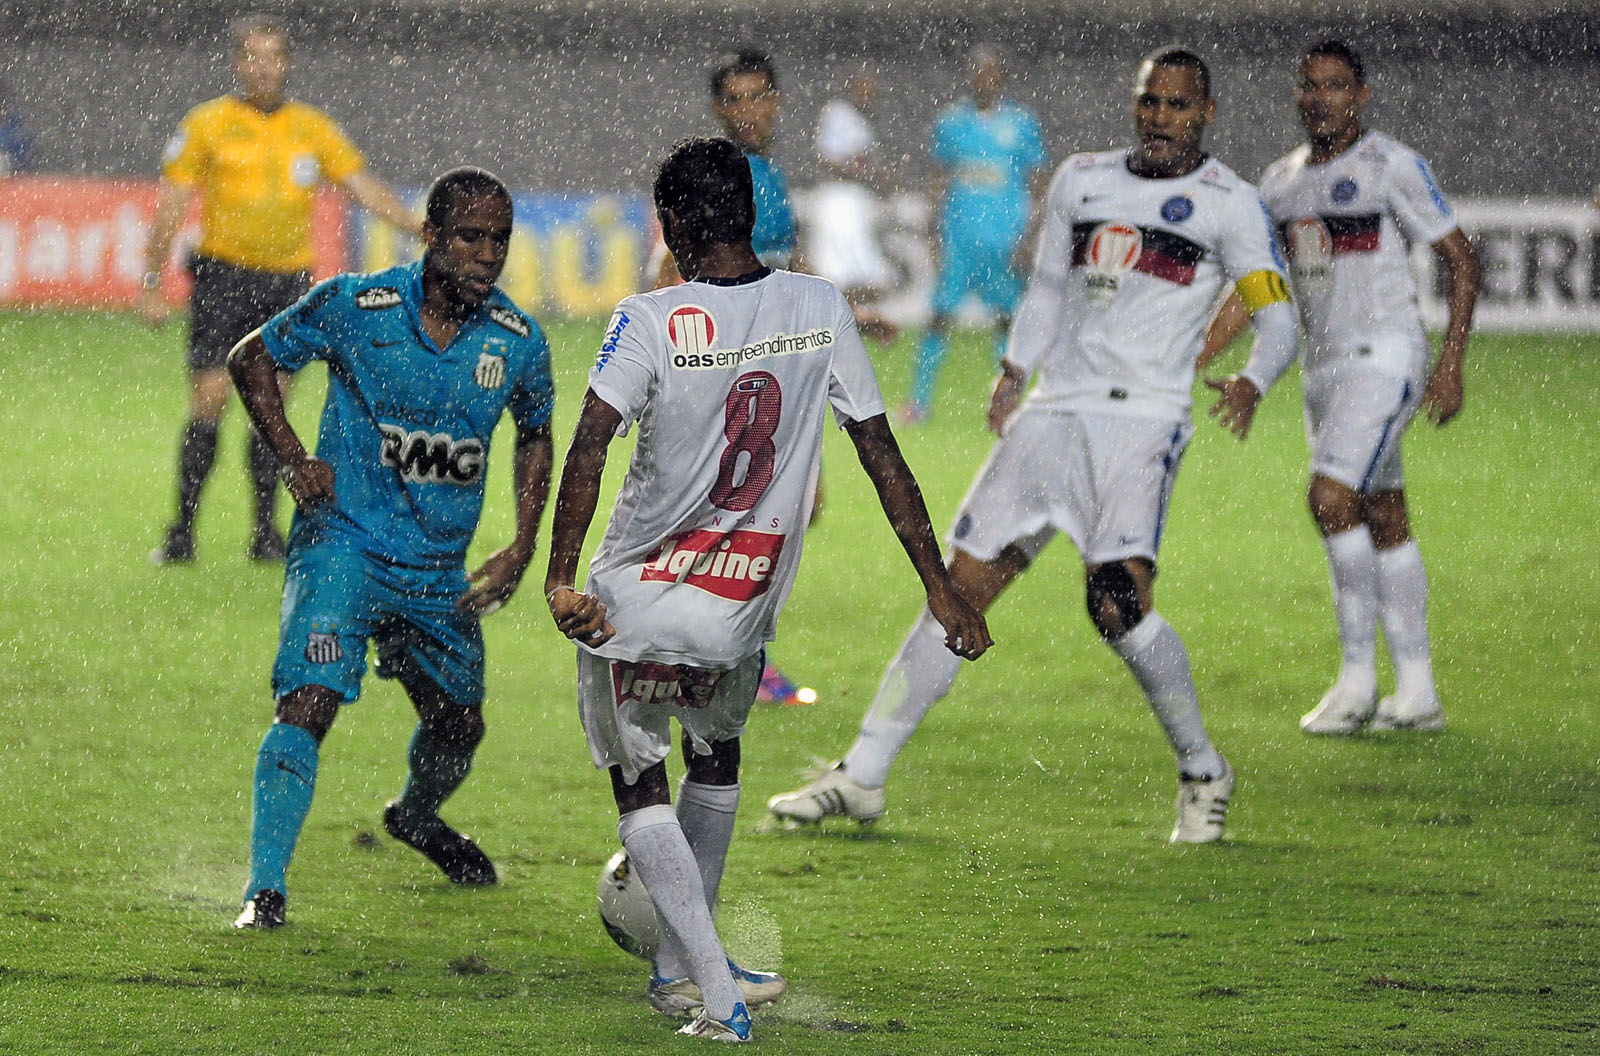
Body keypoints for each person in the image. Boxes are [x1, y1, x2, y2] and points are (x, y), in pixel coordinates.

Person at [769, 46, 1301, 844]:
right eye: (1150, 102)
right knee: (957, 591)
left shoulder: (1231, 203)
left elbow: (1277, 311)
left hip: (1143, 421)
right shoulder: (1084, 181)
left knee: (1116, 605)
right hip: (1054, 411)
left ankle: (1203, 770)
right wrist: (1014, 368)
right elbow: (1049, 287)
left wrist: (1255, 378)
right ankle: (863, 776)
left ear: (1207, 113)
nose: (1161, 118)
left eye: (1178, 106)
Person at [545, 136, 991, 1041]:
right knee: (717, 759)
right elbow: (881, 453)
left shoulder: (651, 318)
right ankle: (680, 969)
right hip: (739, 606)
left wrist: (560, 576)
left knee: (640, 781)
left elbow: (588, 447)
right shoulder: (818, 307)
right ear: (752, 214)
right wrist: (940, 587)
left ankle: (714, 995)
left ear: (670, 224)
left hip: (632, 600)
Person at [227, 167, 555, 928]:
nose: (487, 255)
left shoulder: (517, 341)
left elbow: (536, 433)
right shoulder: (356, 304)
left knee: (458, 725)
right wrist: (290, 454)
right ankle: (264, 891)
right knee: (308, 701)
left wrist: (522, 545)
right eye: (470, 237)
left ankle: (415, 816)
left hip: (437, 570)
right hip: (342, 543)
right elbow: (253, 357)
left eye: (499, 240)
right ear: (431, 236)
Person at [1201, 40, 1479, 735]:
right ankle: (1417, 695)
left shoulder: (1391, 165)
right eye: (1309, 85)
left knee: (1330, 499)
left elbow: (1460, 256)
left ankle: (1357, 682)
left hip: (1386, 355)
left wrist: (1450, 363)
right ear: (1297, 94)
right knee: (1383, 514)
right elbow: (1256, 286)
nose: (1320, 97)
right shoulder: (1280, 182)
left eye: (1335, 86)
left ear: (1361, 95)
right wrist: (1197, 355)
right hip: (1323, 372)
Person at [143, 14, 418, 564]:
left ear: (286, 64)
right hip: (223, 276)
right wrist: (153, 280)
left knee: (271, 410)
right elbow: (172, 203)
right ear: (237, 63)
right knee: (210, 401)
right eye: (253, 56)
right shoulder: (208, 123)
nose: (264, 67)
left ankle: (266, 536)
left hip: (286, 285)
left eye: (274, 57)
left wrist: (419, 227)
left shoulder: (311, 128)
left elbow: (362, 186)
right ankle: (182, 534)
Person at [904, 44, 1048, 424]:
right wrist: (932, 233)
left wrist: (1032, 237)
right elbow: (938, 179)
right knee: (939, 317)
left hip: (1004, 241)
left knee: (1007, 322)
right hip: (959, 239)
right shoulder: (951, 123)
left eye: (992, 72)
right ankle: (918, 403)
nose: (985, 78)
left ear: (1001, 77)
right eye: (979, 71)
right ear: (971, 76)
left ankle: (1008, 401)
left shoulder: (1021, 123)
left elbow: (1037, 184)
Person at [809, 67, 898, 313]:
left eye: (873, 88)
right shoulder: (837, 113)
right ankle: (839, 325)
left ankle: (855, 323)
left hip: (857, 199)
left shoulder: (866, 120)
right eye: (864, 86)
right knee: (837, 274)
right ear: (852, 87)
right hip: (838, 199)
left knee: (868, 276)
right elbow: (827, 159)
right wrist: (869, 172)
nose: (869, 93)